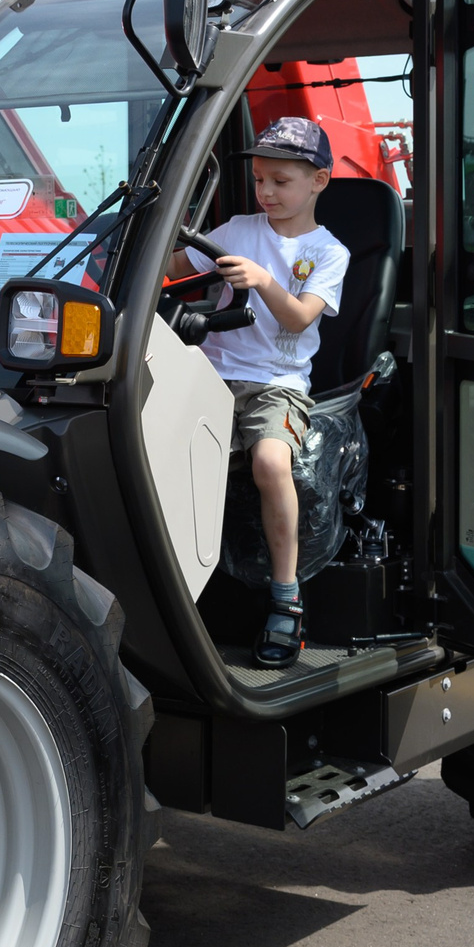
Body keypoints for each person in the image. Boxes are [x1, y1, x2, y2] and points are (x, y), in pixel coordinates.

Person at [176, 116, 348, 668]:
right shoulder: (234, 230)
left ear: (319, 181)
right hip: (212, 372)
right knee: (162, 451)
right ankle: (174, 587)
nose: (267, 193)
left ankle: (285, 598)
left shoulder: (328, 254)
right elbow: (174, 267)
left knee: (272, 464)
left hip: (276, 382)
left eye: (281, 181)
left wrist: (263, 280)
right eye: (259, 181)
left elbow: (297, 321)